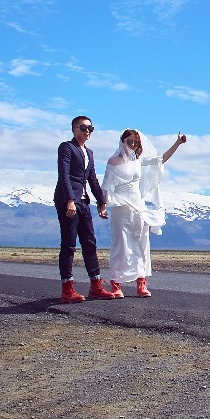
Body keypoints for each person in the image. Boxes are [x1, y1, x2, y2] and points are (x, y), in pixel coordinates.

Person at [101, 129, 187, 298]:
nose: (132, 145)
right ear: (122, 141)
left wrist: (177, 143)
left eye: (135, 142)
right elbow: (106, 186)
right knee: (121, 245)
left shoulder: (139, 161)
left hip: (138, 207)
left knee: (141, 244)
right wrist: (103, 205)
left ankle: (141, 283)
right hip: (120, 207)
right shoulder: (113, 162)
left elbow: (161, 160)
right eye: (129, 141)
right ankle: (116, 284)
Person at [54, 115, 118, 303]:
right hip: (68, 201)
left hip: (83, 202)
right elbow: (64, 174)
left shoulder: (89, 153)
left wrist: (101, 201)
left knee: (90, 243)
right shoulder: (66, 147)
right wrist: (69, 200)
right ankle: (67, 289)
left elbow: (92, 179)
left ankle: (96, 286)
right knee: (69, 245)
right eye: (83, 128)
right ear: (74, 129)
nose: (87, 131)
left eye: (91, 128)